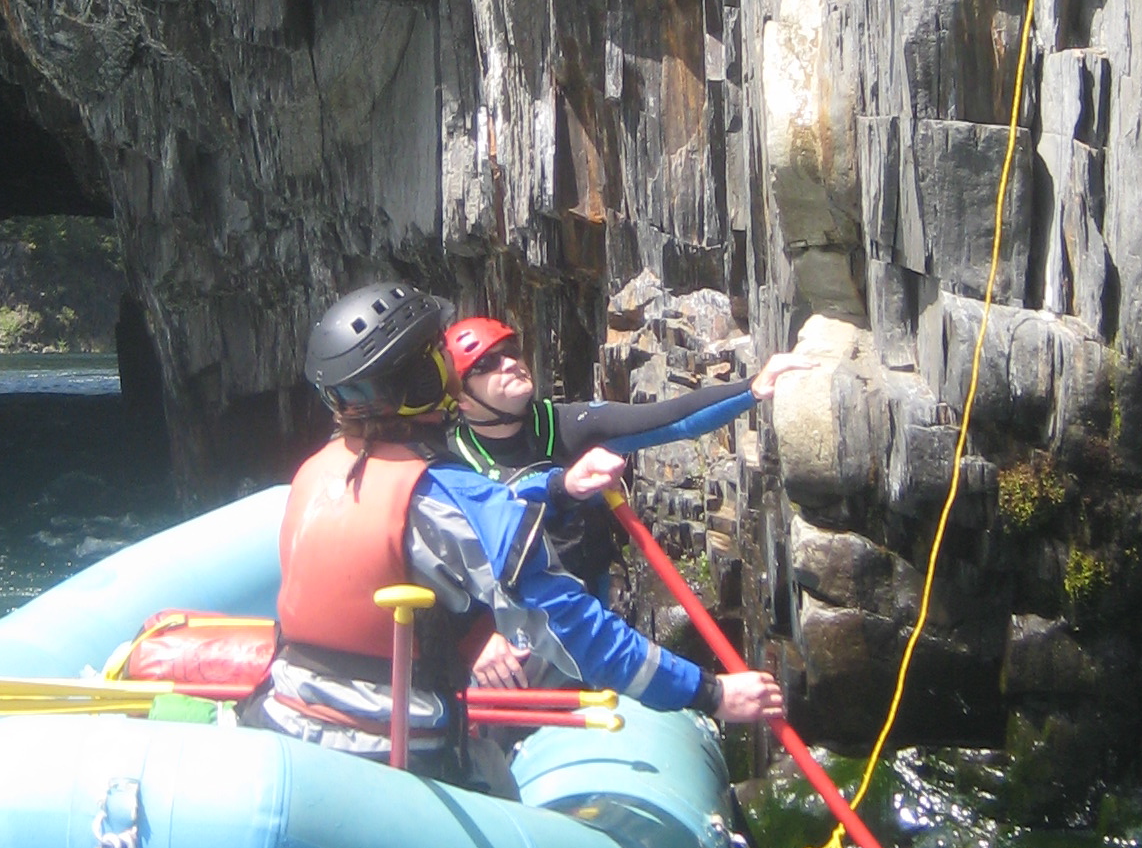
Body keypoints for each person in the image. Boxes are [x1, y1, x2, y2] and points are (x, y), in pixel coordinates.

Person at [259, 283, 782, 774]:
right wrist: (710, 693)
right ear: (429, 383)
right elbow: (577, 628)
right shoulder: (456, 493)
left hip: (285, 720)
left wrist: (558, 488)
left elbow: (478, 514)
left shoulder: (316, 472)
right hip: (401, 748)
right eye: (456, 362)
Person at [432, 314, 813, 639]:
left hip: (588, 597)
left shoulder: (564, 425)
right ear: (462, 399)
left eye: (510, 352)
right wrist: (479, 640)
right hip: (507, 613)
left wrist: (753, 388)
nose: (510, 364)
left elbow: (671, 420)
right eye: (486, 365)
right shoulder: (448, 460)